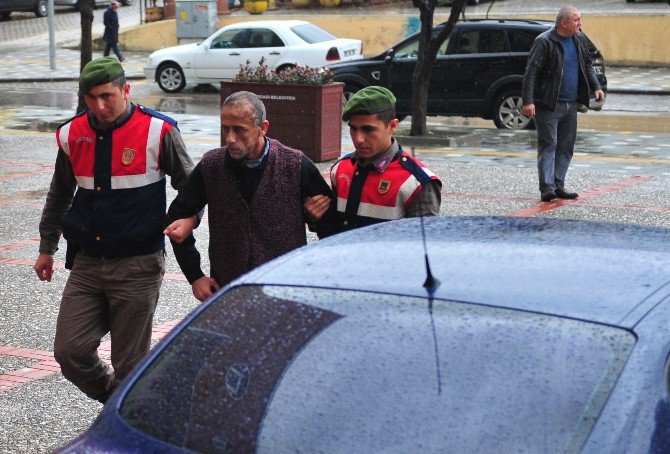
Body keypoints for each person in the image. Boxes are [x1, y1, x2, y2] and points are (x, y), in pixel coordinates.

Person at [33, 57, 196, 403]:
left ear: (126, 90)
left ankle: (124, 421)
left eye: (107, 95)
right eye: (91, 98)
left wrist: (189, 218)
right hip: (87, 264)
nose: (100, 106)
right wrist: (47, 247)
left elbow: (193, 186)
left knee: (130, 363)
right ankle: (121, 404)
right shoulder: (71, 134)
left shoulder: (159, 130)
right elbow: (60, 193)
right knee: (69, 352)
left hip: (139, 264)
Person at [164, 91, 338, 302]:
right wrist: (195, 276)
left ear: (263, 128)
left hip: (285, 294)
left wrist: (315, 220)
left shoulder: (295, 165)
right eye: (225, 129)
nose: (230, 138)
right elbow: (176, 218)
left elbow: (334, 231)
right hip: (229, 292)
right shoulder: (212, 165)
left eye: (239, 130)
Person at [306, 86, 441, 232]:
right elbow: (333, 233)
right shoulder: (340, 169)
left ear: (393, 126)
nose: (358, 139)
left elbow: (422, 246)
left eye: (368, 129)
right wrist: (315, 219)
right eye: (353, 128)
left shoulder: (418, 182)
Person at [521, 6, 605, 202]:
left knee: (566, 146)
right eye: (577, 20)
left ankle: (559, 184)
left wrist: (596, 87)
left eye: (580, 20)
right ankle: (547, 187)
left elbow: (587, 65)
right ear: (564, 23)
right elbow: (531, 72)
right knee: (549, 143)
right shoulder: (544, 41)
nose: (580, 23)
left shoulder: (579, 39)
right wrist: (528, 101)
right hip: (549, 103)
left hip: (571, 103)